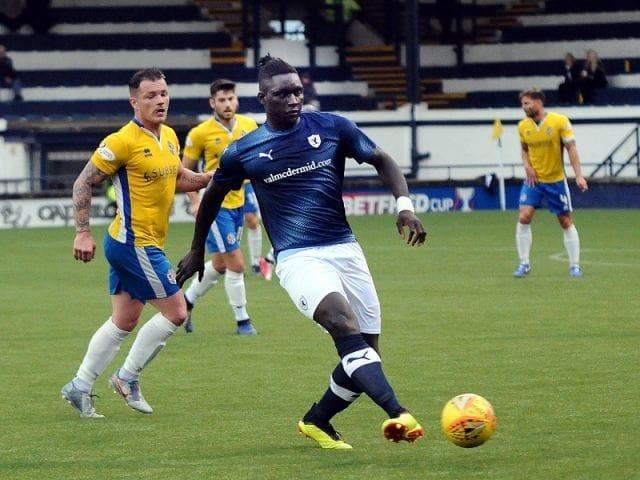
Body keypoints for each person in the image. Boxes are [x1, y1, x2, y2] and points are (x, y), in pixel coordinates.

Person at [176, 55, 427, 449]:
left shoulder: (332, 126)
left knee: (365, 354)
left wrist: (405, 207)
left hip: (346, 250)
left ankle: (317, 420)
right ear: (262, 98)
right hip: (296, 257)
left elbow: (382, 160)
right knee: (341, 324)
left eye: (297, 91)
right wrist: (195, 250)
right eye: (282, 94)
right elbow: (212, 198)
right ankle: (398, 413)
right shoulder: (245, 151)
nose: (293, 99)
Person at [60, 68, 212, 418]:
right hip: (134, 243)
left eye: (163, 93)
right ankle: (127, 378)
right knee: (177, 311)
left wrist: (210, 179)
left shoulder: (170, 136)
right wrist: (82, 232)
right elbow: (82, 183)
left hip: (137, 243)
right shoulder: (121, 141)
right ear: (134, 101)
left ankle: (79, 386)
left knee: (124, 321)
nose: (160, 101)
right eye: (151, 96)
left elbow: (176, 177)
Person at [181, 78, 260, 335]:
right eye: (222, 100)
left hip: (238, 200)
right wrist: (195, 202)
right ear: (212, 103)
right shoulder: (200, 133)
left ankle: (187, 301)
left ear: (236, 100)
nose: (227, 104)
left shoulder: (250, 126)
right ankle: (243, 321)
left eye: (231, 98)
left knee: (220, 264)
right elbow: (184, 171)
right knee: (237, 263)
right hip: (214, 205)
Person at [514, 88, 588, 279]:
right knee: (524, 216)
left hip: (555, 180)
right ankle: (524, 263)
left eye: (527, 103)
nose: (524, 107)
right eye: (523, 104)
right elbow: (524, 149)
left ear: (539, 102)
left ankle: (574, 266)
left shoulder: (559, 121)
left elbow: (571, 149)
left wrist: (578, 176)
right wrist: (527, 166)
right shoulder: (523, 126)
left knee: (565, 221)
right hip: (533, 181)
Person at [243, 180, 274, 280]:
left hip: (246, 182)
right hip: (224, 182)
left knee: (251, 220)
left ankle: (256, 263)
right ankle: (230, 262)